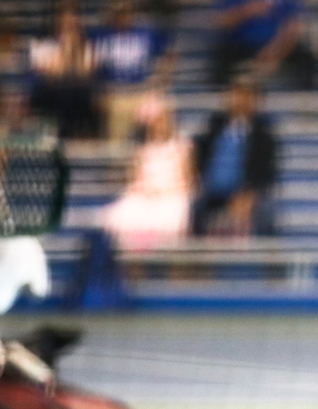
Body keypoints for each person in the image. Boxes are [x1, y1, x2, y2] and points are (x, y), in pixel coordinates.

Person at [101, 95, 194, 249]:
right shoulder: (142, 150)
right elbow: (134, 179)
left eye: (164, 120)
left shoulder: (183, 147)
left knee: (170, 215)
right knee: (128, 213)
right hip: (145, 195)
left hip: (172, 195)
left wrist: (164, 191)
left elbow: (188, 180)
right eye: (157, 122)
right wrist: (145, 190)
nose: (160, 125)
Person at [191, 75, 277, 236]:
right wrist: (197, 182)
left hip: (246, 191)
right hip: (212, 191)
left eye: (246, 95)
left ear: (255, 101)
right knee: (193, 206)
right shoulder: (214, 126)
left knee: (266, 210)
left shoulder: (264, 134)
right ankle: (197, 260)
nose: (240, 100)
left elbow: (267, 172)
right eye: (237, 94)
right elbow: (198, 156)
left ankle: (269, 258)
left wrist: (248, 194)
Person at [90, 0, 173, 143]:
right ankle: (116, 159)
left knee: (165, 106)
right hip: (115, 93)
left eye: (128, 12)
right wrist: (99, 91)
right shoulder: (102, 35)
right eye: (120, 13)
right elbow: (88, 63)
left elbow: (169, 55)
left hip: (141, 92)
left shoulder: (146, 33)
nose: (124, 17)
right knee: (118, 116)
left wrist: (159, 83)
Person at [210, 0, 318, 90]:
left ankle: (309, 96)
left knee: (307, 57)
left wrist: (275, 51)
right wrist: (246, 11)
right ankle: (219, 94)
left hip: (278, 45)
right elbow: (221, 22)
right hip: (241, 45)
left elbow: (294, 26)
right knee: (220, 54)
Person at [28, 5, 99, 138]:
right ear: (57, 23)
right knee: (60, 93)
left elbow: (86, 73)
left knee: (80, 94)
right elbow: (52, 74)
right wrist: (65, 50)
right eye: (65, 22)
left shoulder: (86, 46)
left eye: (72, 23)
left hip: (78, 98)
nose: (68, 26)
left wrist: (73, 48)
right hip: (50, 96)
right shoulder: (43, 44)